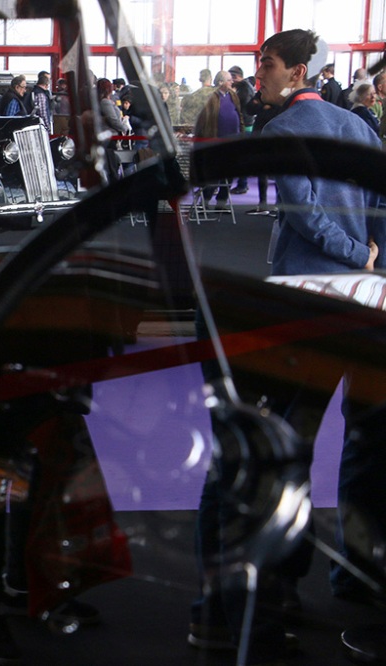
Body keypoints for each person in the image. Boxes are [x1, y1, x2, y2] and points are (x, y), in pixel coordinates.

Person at [189, 28, 384, 666]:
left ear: (298, 70)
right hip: (357, 307)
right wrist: (373, 267)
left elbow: (303, 213)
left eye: (267, 63)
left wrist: (354, 254)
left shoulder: (282, 131)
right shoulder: (360, 126)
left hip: (300, 307)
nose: (259, 73)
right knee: (349, 442)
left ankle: (244, 606)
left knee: (274, 448)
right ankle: (337, 578)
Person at [193, 69, 242, 210]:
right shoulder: (210, 96)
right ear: (220, 82)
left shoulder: (233, 95)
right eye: (229, 80)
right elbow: (203, 118)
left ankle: (222, 202)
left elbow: (239, 114)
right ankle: (205, 201)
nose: (232, 82)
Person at [228, 65, 256, 195]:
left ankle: (242, 185)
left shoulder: (244, 88)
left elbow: (241, 105)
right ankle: (242, 184)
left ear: (237, 76)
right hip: (245, 125)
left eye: (231, 78)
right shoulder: (245, 87)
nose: (230, 81)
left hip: (244, 126)